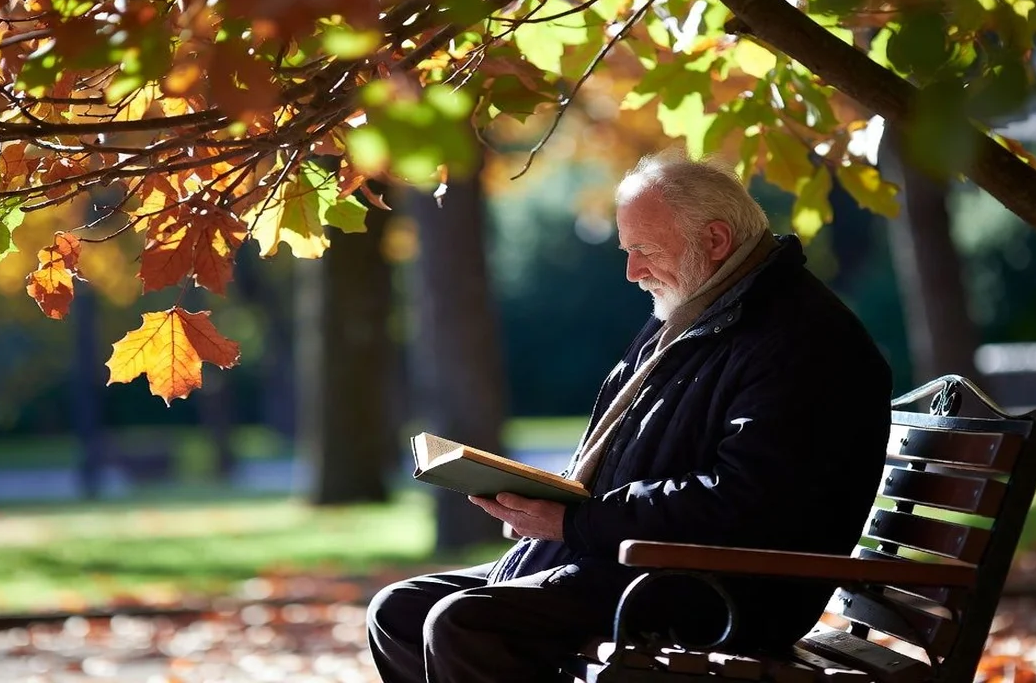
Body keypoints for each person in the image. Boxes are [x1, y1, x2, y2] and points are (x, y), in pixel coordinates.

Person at [367, 150, 894, 682]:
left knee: (467, 624)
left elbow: (746, 500)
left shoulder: (802, 340)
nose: (631, 271)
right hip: (634, 560)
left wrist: (576, 520)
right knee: (399, 611)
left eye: (643, 249)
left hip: (718, 591)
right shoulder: (697, 313)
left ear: (714, 241)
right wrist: (553, 507)